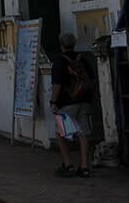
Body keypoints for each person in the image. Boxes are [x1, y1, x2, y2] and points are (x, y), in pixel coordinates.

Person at [50, 32, 95, 178]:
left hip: (67, 103)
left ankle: (68, 164)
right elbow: (92, 79)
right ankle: (84, 166)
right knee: (83, 133)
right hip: (83, 100)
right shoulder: (82, 58)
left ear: (61, 45)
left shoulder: (59, 60)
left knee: (61, 133)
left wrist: (53, 102)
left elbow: (57, 85)